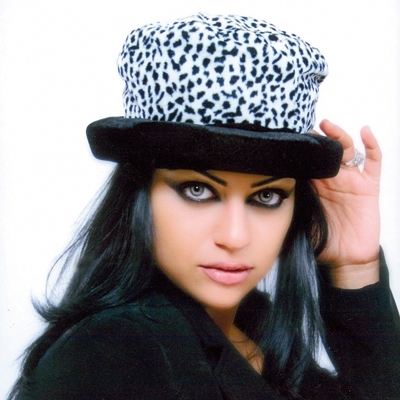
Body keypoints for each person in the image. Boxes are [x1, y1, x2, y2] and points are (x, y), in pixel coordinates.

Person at [8, 13, 400, 400]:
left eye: (267, 196)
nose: (235, 236)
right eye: (198, 190)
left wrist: (353, 266)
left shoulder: (254, 326)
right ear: (139, 194)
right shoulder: (115, 351)